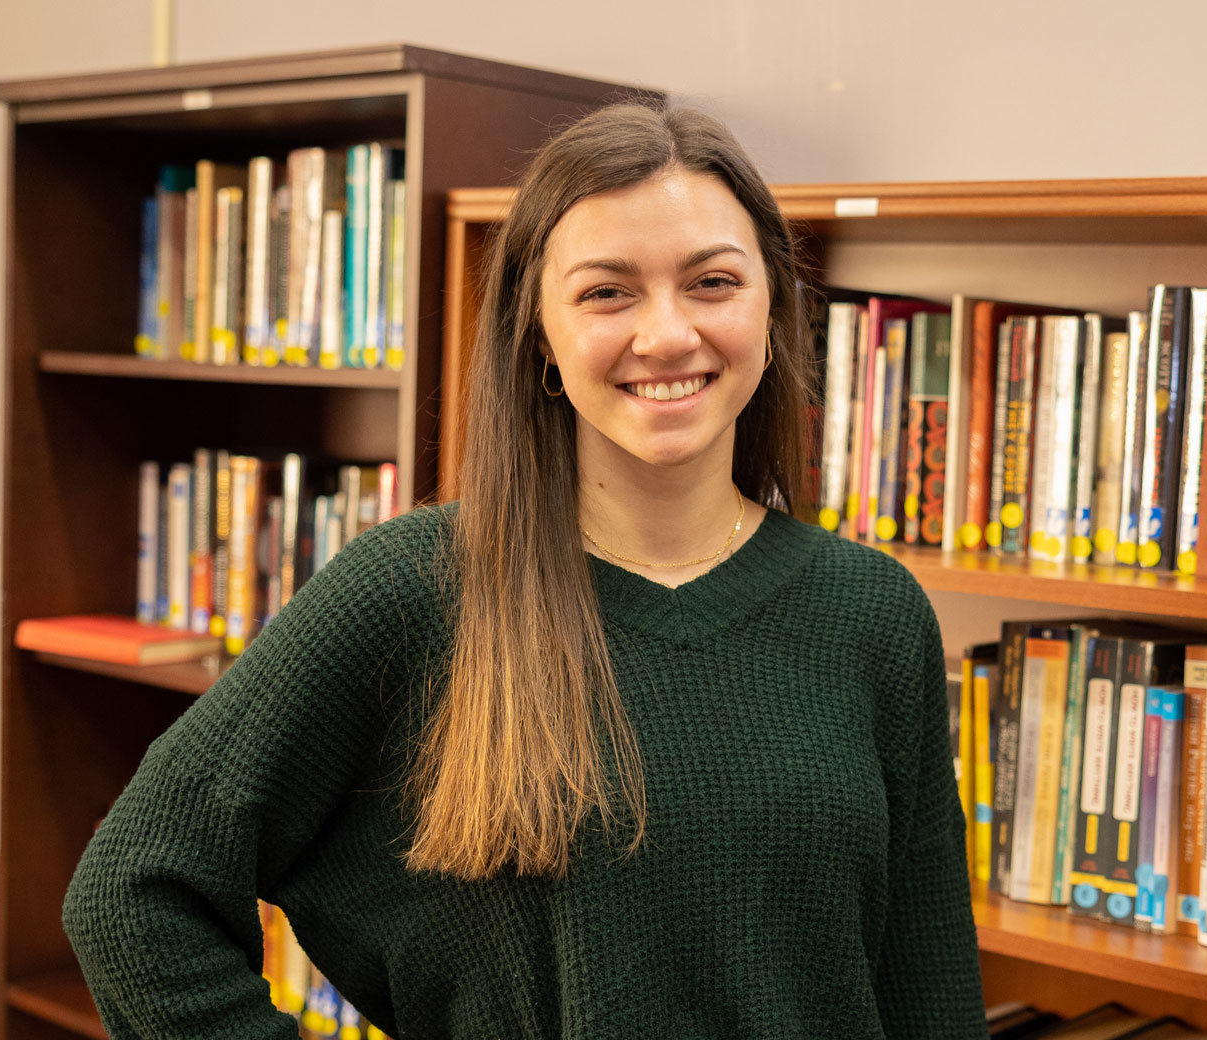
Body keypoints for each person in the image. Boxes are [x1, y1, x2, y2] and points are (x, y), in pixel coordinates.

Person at [62, 99, 984, 1040]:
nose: (667, 334)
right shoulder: (410, 590)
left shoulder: (874, 615)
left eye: (712, 282)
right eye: (607, 292)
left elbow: (931, 990)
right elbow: (133, 891)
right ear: (538, 333)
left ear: (773, 310)